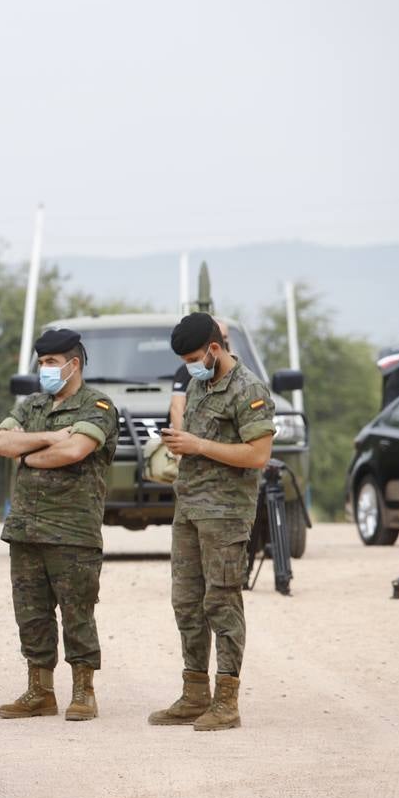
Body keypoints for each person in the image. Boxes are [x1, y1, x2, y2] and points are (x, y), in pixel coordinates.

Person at [150, 313, 275, 731]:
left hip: (225, 513)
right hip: (189, 508)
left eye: (193, 357)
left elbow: (258, 455)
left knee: (221, 602)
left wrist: (198, 444)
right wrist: (177, 440)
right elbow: (197, 442)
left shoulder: (249, 389)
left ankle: (227, 700)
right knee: (186, 603)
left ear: (214, 349)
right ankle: (194, 693)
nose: (189, 364)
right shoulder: (197, 383)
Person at [0, 329, 118, 721]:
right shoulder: (31, 405)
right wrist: (48, 437)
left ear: (72, 364)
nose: (44, 370)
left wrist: (28, 454)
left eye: (51, 363)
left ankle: (84, 691)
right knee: (31, 612)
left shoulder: (97, 405)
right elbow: (1, 444)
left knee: (77, 611)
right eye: (41, 363)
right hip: (26, 528)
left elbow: (75, 450)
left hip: (73, 529)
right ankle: (40, 691)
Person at [169, 319, 228, 430]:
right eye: (186, 361)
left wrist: (197, 446)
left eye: (194, 359)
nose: (190, 366)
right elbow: (177, 408)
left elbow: (258, 448)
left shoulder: (248, 387)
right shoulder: (195, 383)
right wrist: (181, 441)